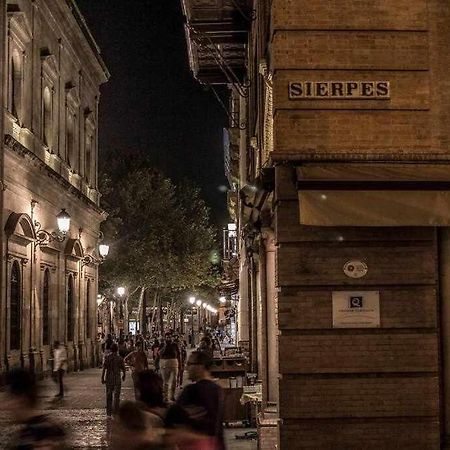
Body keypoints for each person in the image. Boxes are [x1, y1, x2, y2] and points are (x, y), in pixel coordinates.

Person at [166, 351, 225, 450]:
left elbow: (171, 420)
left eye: (189, 364)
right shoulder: (218, 390)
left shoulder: (191, 391)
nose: (186, 368)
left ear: (200, 366)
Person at [5, 368, 67, 449]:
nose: (6, 405)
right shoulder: (45, 426)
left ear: (21, 399)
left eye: (10, 398)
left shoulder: (39, 432)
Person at [102, 343, 126, 416]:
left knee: (109, 396)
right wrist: (124, 375)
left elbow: (104, 368)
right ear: (117, 349)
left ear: (111, 350)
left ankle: (109, 412)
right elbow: (123, 369)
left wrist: (102, 377)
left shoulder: (107, 357)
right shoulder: (120, 358)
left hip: (109, 378)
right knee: (116, 396)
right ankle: (116, 411)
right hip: (117, 378)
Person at [159, 334, 180, 402]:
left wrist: (180, 364)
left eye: (169, 337)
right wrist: (165, 346)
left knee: (174, 380)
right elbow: (159, 353)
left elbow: (178, 354)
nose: (168, 338)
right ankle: (165, 397)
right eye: (167, 337)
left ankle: (172, 396)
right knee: (165, 381)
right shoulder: (162, 345)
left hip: (174, 362)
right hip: (164, 362)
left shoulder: (174, 345)